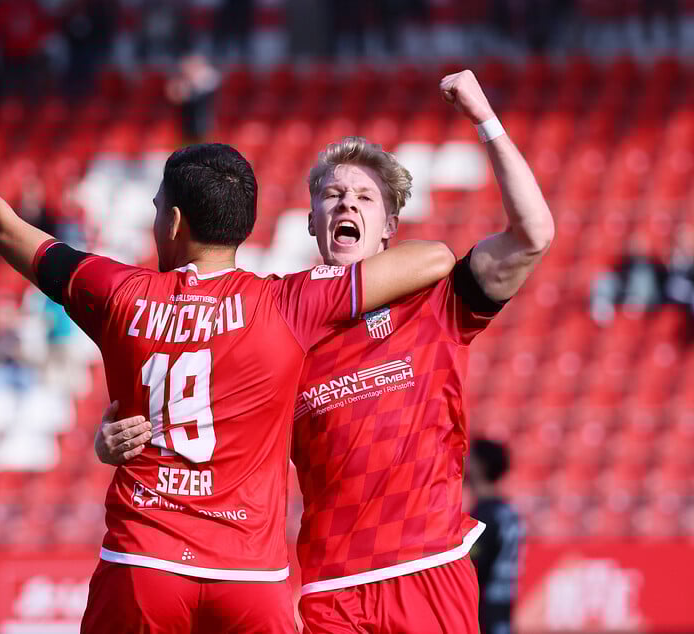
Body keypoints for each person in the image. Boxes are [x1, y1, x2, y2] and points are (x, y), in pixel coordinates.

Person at [0, 57, 455, 633]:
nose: (156, 218)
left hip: (143, 564)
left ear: (175, 222)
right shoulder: (288, 304)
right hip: (250, 580)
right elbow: (434, 258)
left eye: (158, 208)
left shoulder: (119, 294)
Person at [98, 70, 554, 632]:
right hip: (329, 590)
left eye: (364, 197)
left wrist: (484, 120)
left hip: (428, 568)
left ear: (388, 226)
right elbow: (192, 411)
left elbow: (532, 235)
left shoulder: (438, 303)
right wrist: (114, 437)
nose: (346, 204)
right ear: (313, 222)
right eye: (331, 195)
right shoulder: (273, 322)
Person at [467, 438, 522, 634]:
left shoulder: (484, 516)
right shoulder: (508, 511)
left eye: (470, 458)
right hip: (503, 608)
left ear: (480, 466)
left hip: (484, 613)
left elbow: (473, 564)